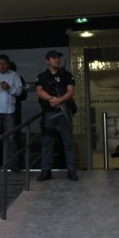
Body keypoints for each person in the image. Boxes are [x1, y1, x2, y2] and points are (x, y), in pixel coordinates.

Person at [35, 50, 79, 181]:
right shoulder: (42, 76)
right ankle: (46, 171)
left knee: (68, 142)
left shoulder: (66, 75)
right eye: (54, 58)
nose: (57, 60)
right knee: (47, 142)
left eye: (58, 58)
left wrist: (59, 100)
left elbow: (70, 92)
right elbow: (39, 91)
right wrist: (51, 99)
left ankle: (71, 171)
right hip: (49, 112)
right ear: (47, 60)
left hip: (63, 112)